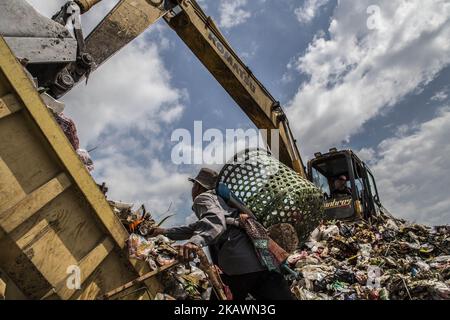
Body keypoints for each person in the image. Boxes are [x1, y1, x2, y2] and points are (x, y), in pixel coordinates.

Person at [149, 168, 294, 300]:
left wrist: (195, 242)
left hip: (238, 266)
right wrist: (165, 232)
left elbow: (215, 220)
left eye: (193, 185)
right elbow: (196, 228)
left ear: (198, 186)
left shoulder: (203, 198)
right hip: (264, 263)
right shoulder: (222, 201)